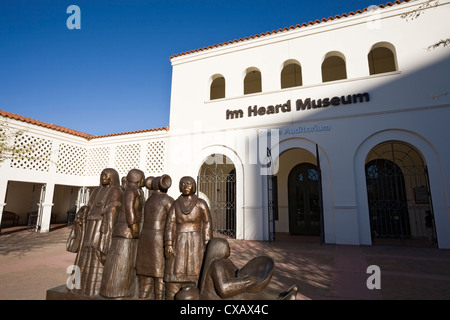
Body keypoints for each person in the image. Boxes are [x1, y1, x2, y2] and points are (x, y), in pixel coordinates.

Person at [196, 237, 298, 300]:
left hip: (231, 289)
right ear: (220, 248)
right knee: (251, 293)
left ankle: (281, 293)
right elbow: (223, 289)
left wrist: (248, 278)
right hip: (217, 297)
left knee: (256, 287)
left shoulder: (223, 260)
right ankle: (280, 297)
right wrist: (245, 281)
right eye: (227, 247)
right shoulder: (216, 264)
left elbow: (236, 272)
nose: (229, 249)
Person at [73, 168, 122, 296]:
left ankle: (95, 288)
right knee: (85, 253)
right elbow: (89, 206)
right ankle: (81, 287)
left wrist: (106, 223)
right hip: (90, 225)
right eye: (102, 175)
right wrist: (84, 210)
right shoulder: (95, 191)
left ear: (112, 177)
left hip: (102, 226)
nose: (103, 177)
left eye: (106, 175)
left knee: (97, 255)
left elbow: (114, 209)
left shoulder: (116, 191)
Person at [164, 176, 213, 300]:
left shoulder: (201, 203)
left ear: (194, 186)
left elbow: (207, 222)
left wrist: (207, 242)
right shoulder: (175, 204)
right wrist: (168, 243)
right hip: (179, 240)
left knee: (196, 268)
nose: (186, 187)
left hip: (196, 240)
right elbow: (170, 224)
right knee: (176, 268)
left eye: (189, 184)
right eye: (183, 184)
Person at [100, 168, 145, 298]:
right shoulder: (131, 191)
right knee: (121, 262)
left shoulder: (137, 191)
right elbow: (129, 208)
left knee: (128, 262)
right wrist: (133, 225)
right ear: (138, 179)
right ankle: (116, 290)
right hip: (125, 232)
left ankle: (126, 290)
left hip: (129, 233)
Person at [136, 174, 174, 300]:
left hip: (146, 237)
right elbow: (172, 221)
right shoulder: (167, 200)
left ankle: (143, 296)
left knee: (146, 272)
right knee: (159, 272)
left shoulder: (148, 200)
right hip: (158, 238)